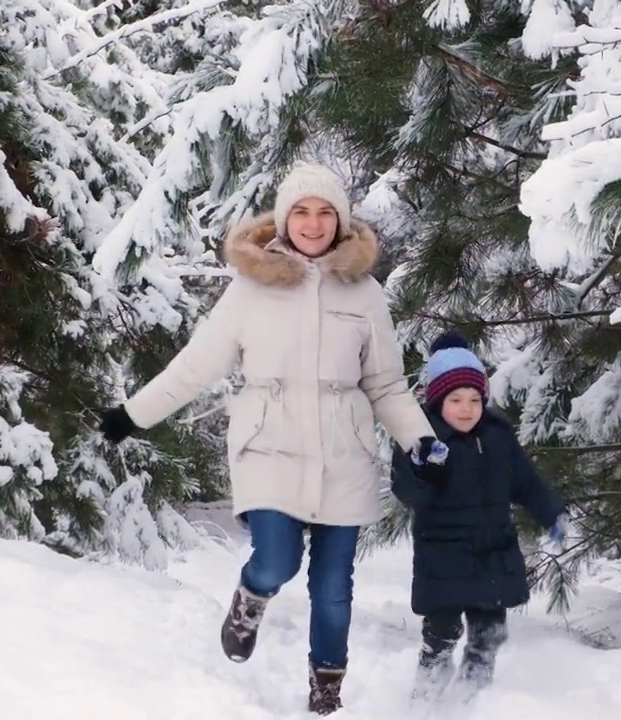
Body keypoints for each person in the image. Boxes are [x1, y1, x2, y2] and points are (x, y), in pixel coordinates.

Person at [97, 162, 447, 715]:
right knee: (277, 560)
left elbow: (385, 384)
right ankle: (250, 596)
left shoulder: (365, 293)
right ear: (285, 220)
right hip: (269, 443)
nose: (313, 223)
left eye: (325, 212)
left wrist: (420, 440)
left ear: (341, 221)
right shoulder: (250, 288)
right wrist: (132, 416)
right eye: (302, 212)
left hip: (343, 450)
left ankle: (326, 692)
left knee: (333, 586)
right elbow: (196, 367)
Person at [390, 330, 567, 702]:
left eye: (474, 398)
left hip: (493, 552)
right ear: (438, 401)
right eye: (456, 399)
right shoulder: (422, 438)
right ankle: (426, 696)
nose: (467, 408)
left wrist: (550, 513)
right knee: (442, 632)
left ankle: (472, 698)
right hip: (443, 557)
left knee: (490, 632)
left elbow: (526, 482)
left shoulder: (498, 435)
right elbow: (407, 492)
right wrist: (425, 469)